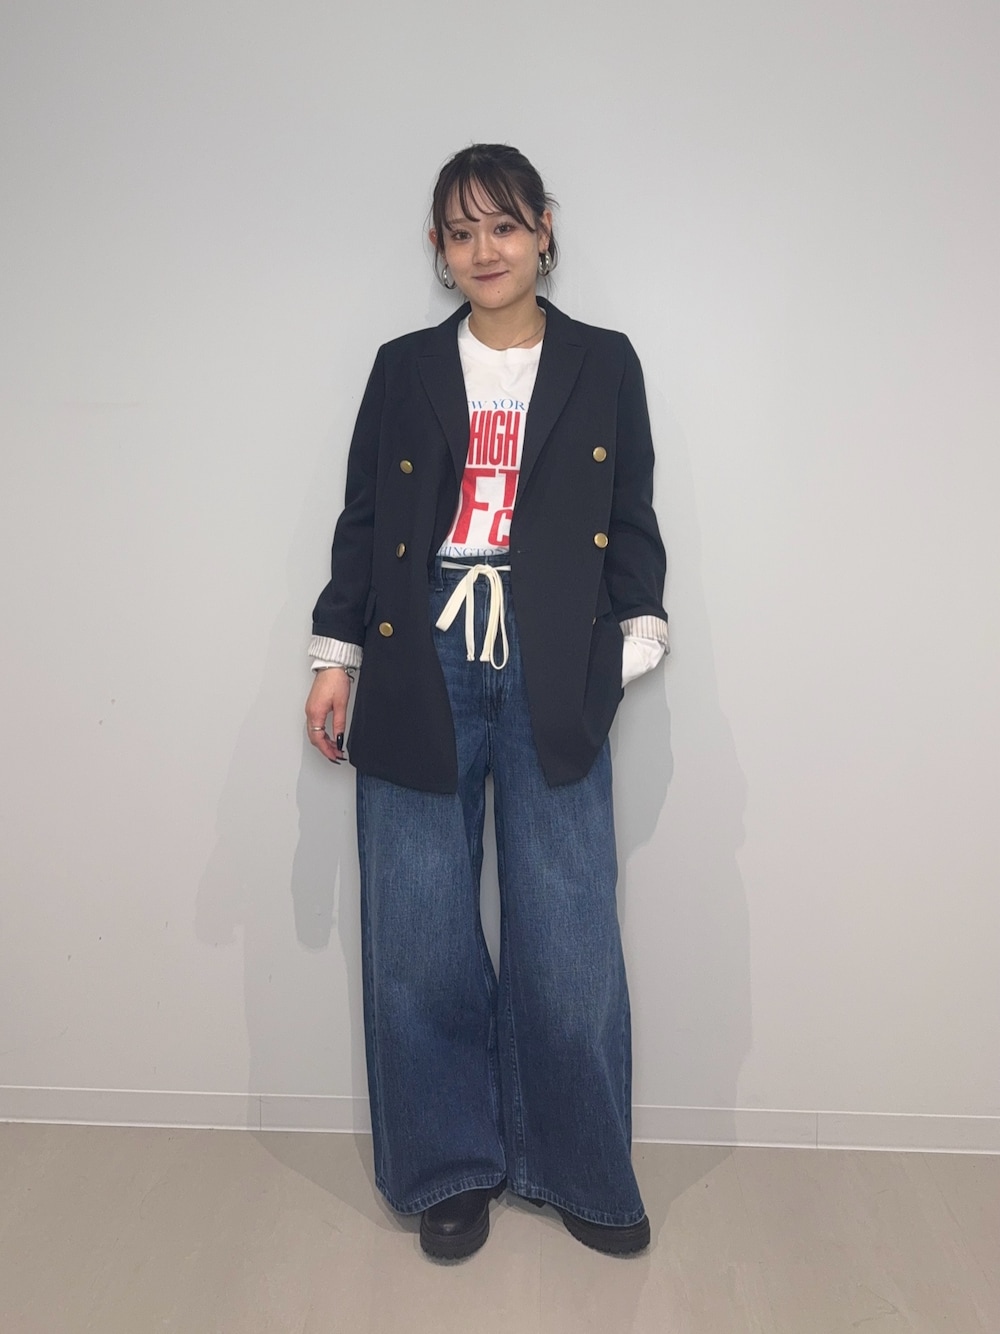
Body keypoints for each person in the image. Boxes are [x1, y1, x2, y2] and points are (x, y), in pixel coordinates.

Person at [305, 144, 668, 1261]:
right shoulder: (403, 367)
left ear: (543, 229)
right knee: (418, 926)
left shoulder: (604, 360)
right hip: (420, 647)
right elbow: (366, 518)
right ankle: (448, 1169)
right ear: (437, 248)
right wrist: (335, 654)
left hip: (555, 651)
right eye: (461, 233)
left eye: (503, 225)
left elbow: (631, 508)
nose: (484, 250)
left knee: (569, 927)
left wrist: (632, 636)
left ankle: (575, 1166)